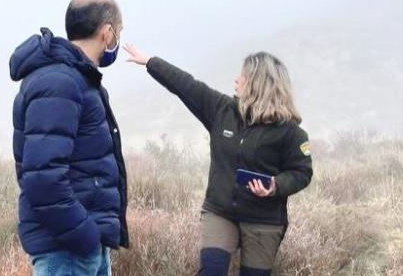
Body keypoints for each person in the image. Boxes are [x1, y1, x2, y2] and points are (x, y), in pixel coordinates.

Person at [124, 46, 312, 276]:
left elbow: (302, 172)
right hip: (220, 212)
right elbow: (187, 85)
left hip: (264, 220)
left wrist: (275, 185)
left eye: (243, 76)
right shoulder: (223, 110)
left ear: (257, 83)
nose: (236, 80)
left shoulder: (290, 132)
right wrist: (151, 62)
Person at [9, 0, 129, 276]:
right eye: (119, 32)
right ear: (107, 32)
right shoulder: (59, 83)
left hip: (81, 246)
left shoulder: (77, 80)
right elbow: (43, 179)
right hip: (68, 251)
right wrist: (85, 237)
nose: (117, 40)